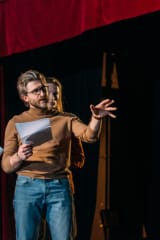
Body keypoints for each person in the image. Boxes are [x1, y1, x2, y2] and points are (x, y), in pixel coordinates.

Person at [1, 69, 116, 240]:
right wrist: (18, 156)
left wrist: (96, 119)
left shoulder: (65, 119)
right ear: (25, 98)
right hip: (27, 186)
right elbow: (6, 165)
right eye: (36, 91)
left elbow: (89, 136)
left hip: (59, 186)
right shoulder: (16, 122)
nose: (42, 93)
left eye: (42, 89)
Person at [37, 76, 86, 240]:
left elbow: (79, 160)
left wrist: (59, 157)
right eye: (47, 93)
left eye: (55, 94)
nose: (51, 98)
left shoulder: (68, 122)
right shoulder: (31, 123)